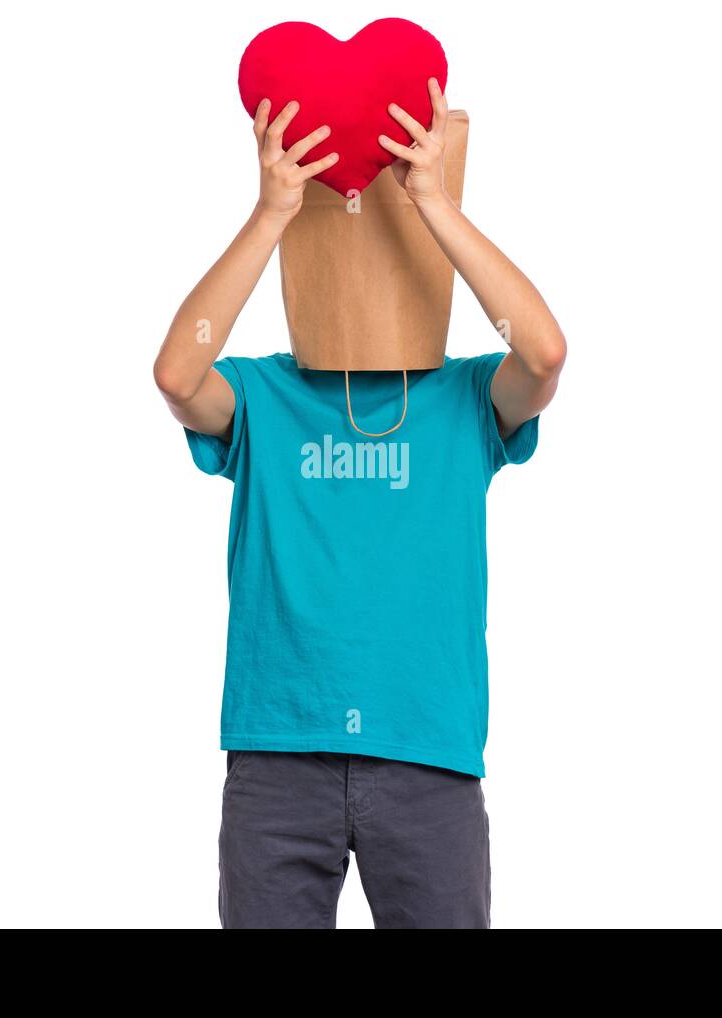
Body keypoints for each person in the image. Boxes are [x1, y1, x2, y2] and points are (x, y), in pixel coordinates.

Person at [154, 78, 566, 929]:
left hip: (428, 759)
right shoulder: (263, 397)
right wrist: (271, 214)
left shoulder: (465, 400)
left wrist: (435, 205)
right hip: (278, 757)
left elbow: (546, 352)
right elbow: (176, 375)